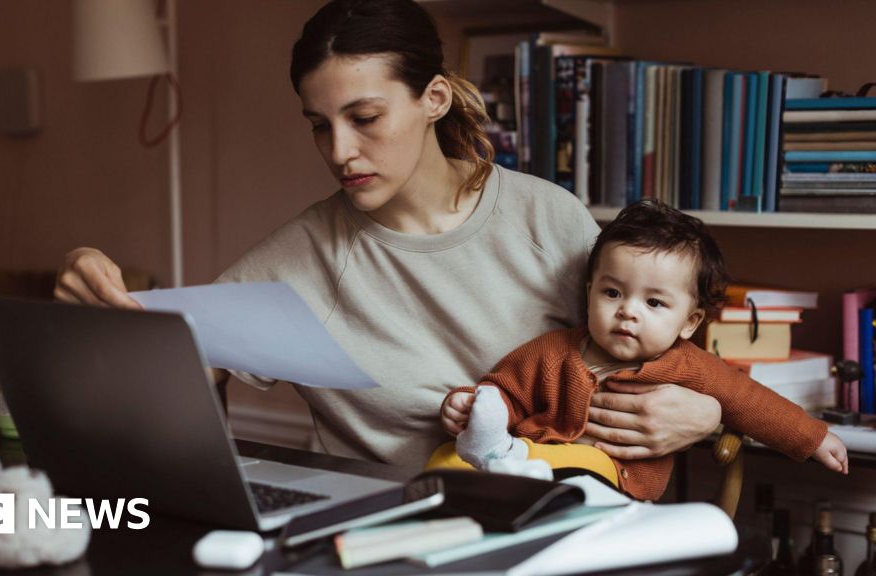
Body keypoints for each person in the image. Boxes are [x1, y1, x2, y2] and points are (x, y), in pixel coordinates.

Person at [54, 0, 723, 471]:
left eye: (365, 117)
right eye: (320, 124)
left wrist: (707, 414)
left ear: (433, 98)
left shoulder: (548, 219)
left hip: (551, 523)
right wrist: (94, 291)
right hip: (373, 536)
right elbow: (178, 367)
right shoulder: (304, 254)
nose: (340, 150)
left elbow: (649, 352)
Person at [433, 200, 848, 500]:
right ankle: (491, 462)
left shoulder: (690, 366)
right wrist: (471, 406)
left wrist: (812, 438)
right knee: (444, 459)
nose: (628, 312)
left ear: (689, 322)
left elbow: (751, 402)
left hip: (613, 479)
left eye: (654, 303)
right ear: (589, 292)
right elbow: (504, 390)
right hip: (527, 464)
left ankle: (511, 468)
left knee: (584, 467)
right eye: (613, 292)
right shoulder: (552, 351)